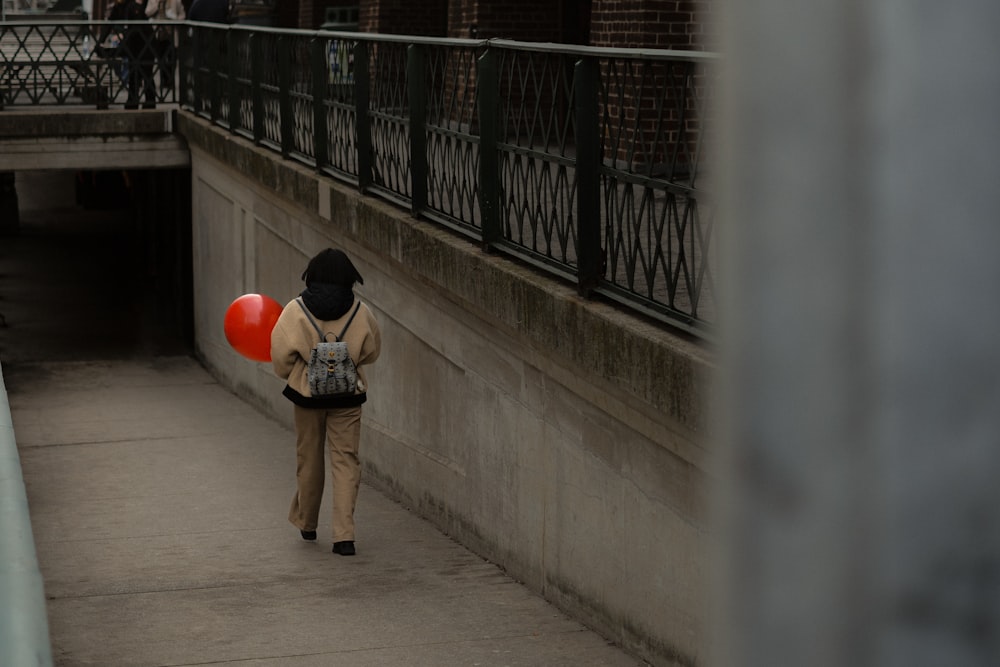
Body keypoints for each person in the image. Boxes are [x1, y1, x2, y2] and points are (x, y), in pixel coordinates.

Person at [270, 248, 381, 556]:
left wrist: (298, 372)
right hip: (348, 396)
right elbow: (372, 351)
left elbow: (280, 358)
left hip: (307, 396)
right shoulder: (361, 310)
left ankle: (307, 522)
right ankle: (344, 536)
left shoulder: (295, 310)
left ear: (312, 274)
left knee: (309, 458)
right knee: (346, 460)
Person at [144, 0, 185, 92]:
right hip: (158, 35)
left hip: (171, 35)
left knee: (172, 58)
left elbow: (183, 15)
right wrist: (157, 6)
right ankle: (163, 80)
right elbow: (147, 12)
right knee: (160, 59)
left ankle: (170, 80)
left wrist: (175, 19)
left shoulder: (175, 1)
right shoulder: (153, 1)